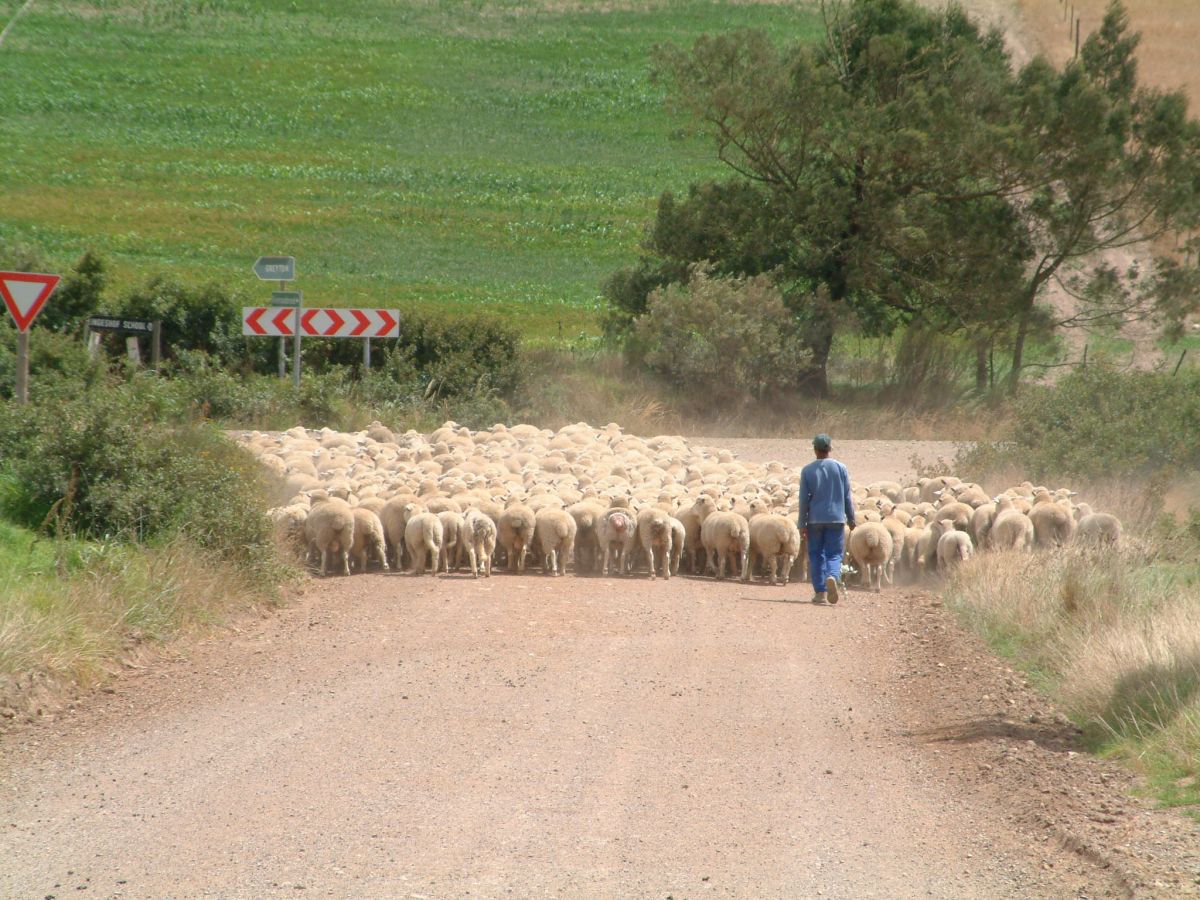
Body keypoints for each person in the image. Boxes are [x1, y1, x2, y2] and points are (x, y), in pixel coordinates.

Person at [797, 433, 856, 604]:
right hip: (837, 519)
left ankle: (820, 592)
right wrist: (851, 518)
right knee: (834, 554)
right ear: (830, 449)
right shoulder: (841, 468)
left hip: (815, 519)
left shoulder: (807, 470)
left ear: (815, 449)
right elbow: (846, 496)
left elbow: (803, 500)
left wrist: (802, 523)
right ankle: (832, 575)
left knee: (816, 554)